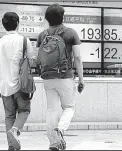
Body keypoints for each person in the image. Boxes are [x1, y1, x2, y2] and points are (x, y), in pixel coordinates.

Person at [36, 4, 85, 150]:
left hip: (47, 77)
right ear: (62, 17)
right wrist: (81, 79)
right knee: (69, 107)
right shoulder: (71, 33)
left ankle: (53, 143)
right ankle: (61, 128)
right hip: (65, 76)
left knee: (52, 109)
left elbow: (37, 58)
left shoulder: (42, 35)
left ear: (47, 19)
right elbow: (77, 56)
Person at [0, 12, 35, 150]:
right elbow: (31, 60)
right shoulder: (24, 40)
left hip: (4, 85)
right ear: (18, 23)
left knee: (9, 115)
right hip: (21, 84)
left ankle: (12, 146)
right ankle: (15, 130)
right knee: (24, 110)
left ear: (3, 25)